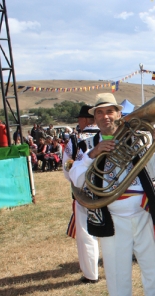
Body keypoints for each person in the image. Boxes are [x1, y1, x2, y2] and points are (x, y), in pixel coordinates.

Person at [69, 93, 155, 296]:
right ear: (93, 117)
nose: (105, 117)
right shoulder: (86, 144)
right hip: (111, 216)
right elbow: (75, 179)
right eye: (99, 113)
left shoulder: (139, 137)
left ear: (119, 113)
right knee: (117, 272)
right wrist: (94, 153)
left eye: (110, 111)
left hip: (144, 212)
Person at [62, 104, 100, 284]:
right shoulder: (108, 137)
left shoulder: (74, 140)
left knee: (86, 235)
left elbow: (67, 169)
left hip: (83, 193)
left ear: (85, 119)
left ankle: (91, 274)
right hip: (109, 192)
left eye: (79, 118)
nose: (78, 121)